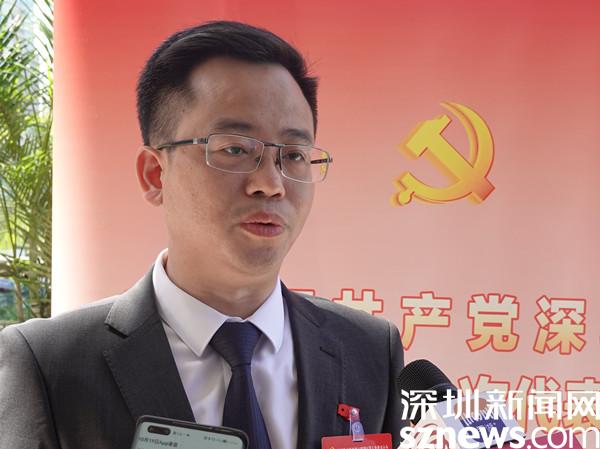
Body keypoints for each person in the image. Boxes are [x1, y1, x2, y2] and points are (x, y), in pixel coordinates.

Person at [0, 21, 405, 449]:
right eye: (235, 149)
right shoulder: (49, 363)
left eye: (293, 155)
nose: (271, 184)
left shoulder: (369, 349)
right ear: (154, 174)